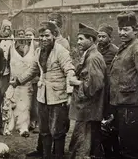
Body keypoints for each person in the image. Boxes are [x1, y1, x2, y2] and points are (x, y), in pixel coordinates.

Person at [11, 21, 75, 159]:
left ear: (54, 35)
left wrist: (69, 94)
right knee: (44, 130)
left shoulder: (61, 52)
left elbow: (70, 71)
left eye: (47, 35)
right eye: (41, 36)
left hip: (58, 97)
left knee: (57, 131)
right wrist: (18, 81)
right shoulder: (39, 51)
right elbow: (33, 70)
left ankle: (58, 155)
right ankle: (46, 155)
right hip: (42, 96)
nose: (44, 39)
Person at [109, 11, 138, 159]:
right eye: (120, 29)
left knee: (130, 149)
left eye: (126, 29)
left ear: (135, 31)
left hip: (131, 105)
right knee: (124, 144)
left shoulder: (137, 49)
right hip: (122, 104)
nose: (122, 32)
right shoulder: (125, 47)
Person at [69, 23, 106, 159]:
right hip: (88, 108)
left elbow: (95, 86)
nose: (78, 42)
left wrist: (76, 82)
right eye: (78, 39)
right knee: (85, 141)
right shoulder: (89, 54)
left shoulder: (93, 58)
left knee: (82, 142)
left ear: (91, 40)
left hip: (88, 108)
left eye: (81, 39)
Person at [6, 28, 35, 137]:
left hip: (26, 82)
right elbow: (8, 63)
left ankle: (23, 127)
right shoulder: (12, 48)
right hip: (14, 81)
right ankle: (10, 125)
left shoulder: (33, 47)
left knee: (25, 104)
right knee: (13, 102)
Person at [96, 24, 119, 159]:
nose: (100, 39)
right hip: (98, 89)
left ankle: (113, 152)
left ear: (110, 38)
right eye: (99, 36)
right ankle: (101, 151)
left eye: (103, 36)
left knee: (110, 122)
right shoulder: (96, 49)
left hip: (109, 90)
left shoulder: (115, 51)